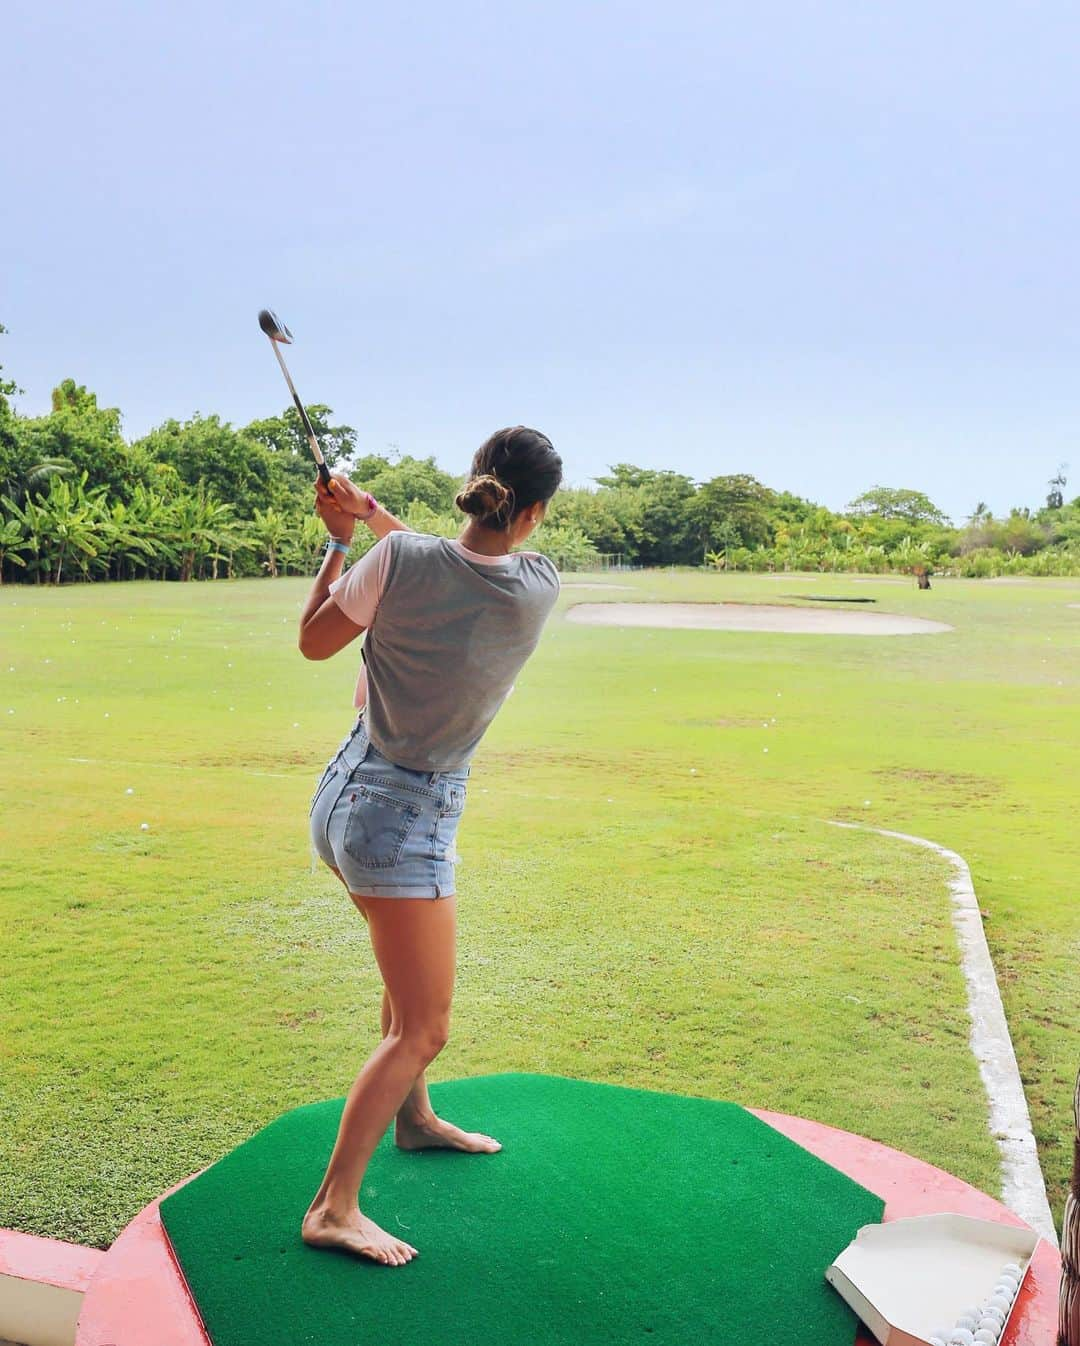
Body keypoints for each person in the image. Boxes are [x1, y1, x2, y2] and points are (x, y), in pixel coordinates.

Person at [296, 426, 563, 1267]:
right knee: (425, 1024)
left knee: (405, 994)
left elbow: (316, 637)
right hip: (405, 818)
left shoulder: (399, 561)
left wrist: (341, 539)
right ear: (537, 512)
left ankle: (414, 1120)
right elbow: (445, 561)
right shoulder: (537, 587)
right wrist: (372, 519)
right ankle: (334, 1207)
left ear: (474, 483)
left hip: (346, 795)